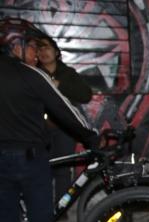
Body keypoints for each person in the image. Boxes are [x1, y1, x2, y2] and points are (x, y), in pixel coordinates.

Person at [0, 18, 99, 222]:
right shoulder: (33, 75)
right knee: (40, 217)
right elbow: (66, 110)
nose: (35, 52)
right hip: (32, 159)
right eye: (30, 45)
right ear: (14, 45)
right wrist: (93, 137)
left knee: (5, 219)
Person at [37, 36, 93, 210]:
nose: (43, 52)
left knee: (63, 169)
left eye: (47, 48)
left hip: (64, 129)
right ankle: (42, 207)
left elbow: (86, 95)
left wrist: (59, 85)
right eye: (39, 49)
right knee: (41, 169)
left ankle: (61, 208)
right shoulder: (33, 72)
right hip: (39, 129)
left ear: (56, 52)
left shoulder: (68, 73)